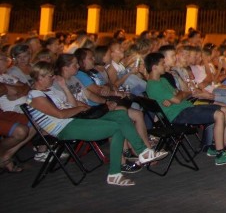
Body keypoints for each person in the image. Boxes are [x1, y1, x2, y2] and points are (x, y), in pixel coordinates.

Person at [27, 61, 167, 186]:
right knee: (116, 128)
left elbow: (70, 103)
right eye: (50, 76)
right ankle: (115, 172)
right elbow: (60, 114)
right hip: (64, 128)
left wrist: (64, 88)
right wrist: (80, 108)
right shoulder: (35, 96)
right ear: (40, 77)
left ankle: (142, 152)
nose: (53, 78)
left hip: (75, 119)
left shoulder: (50, 90)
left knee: (121, 114)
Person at [144, 52, 226, 166]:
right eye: (162, 63)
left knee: (225, 109)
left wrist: (179, 95)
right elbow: (178, 98)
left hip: (186, 107)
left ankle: (220, 145)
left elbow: (181, 94)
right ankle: (220, 153)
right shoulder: (154, 85)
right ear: (154, 67)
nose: (165, 65)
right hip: (177, 114)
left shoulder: (162, 80)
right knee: (219, 114)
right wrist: (180, 96)